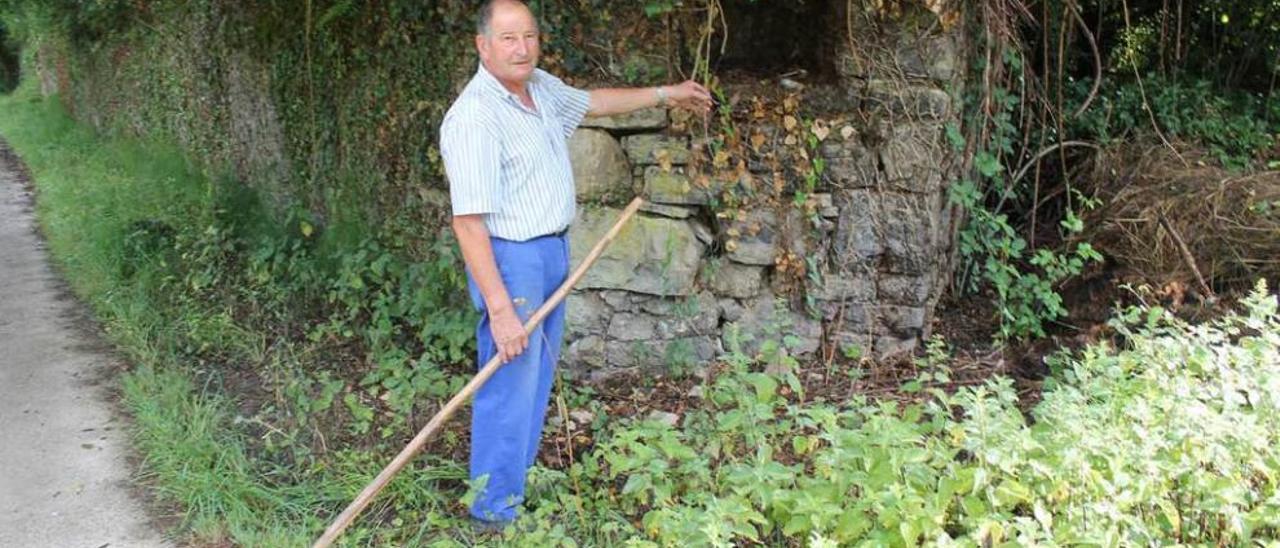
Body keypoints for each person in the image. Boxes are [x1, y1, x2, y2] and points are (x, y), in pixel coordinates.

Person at [438, 0, 713, 529]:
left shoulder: (538, 87)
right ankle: (491, 513)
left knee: (534, 379)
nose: (522, 48)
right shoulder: (474, 117)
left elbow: (593, 103)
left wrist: (666, 94)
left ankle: (513, 486)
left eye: (529, 36)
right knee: (509, 382)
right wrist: (500, 308)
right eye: (509, 38)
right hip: (512, 260)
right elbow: (469, 224)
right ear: (482, 45)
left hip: (551, 251)